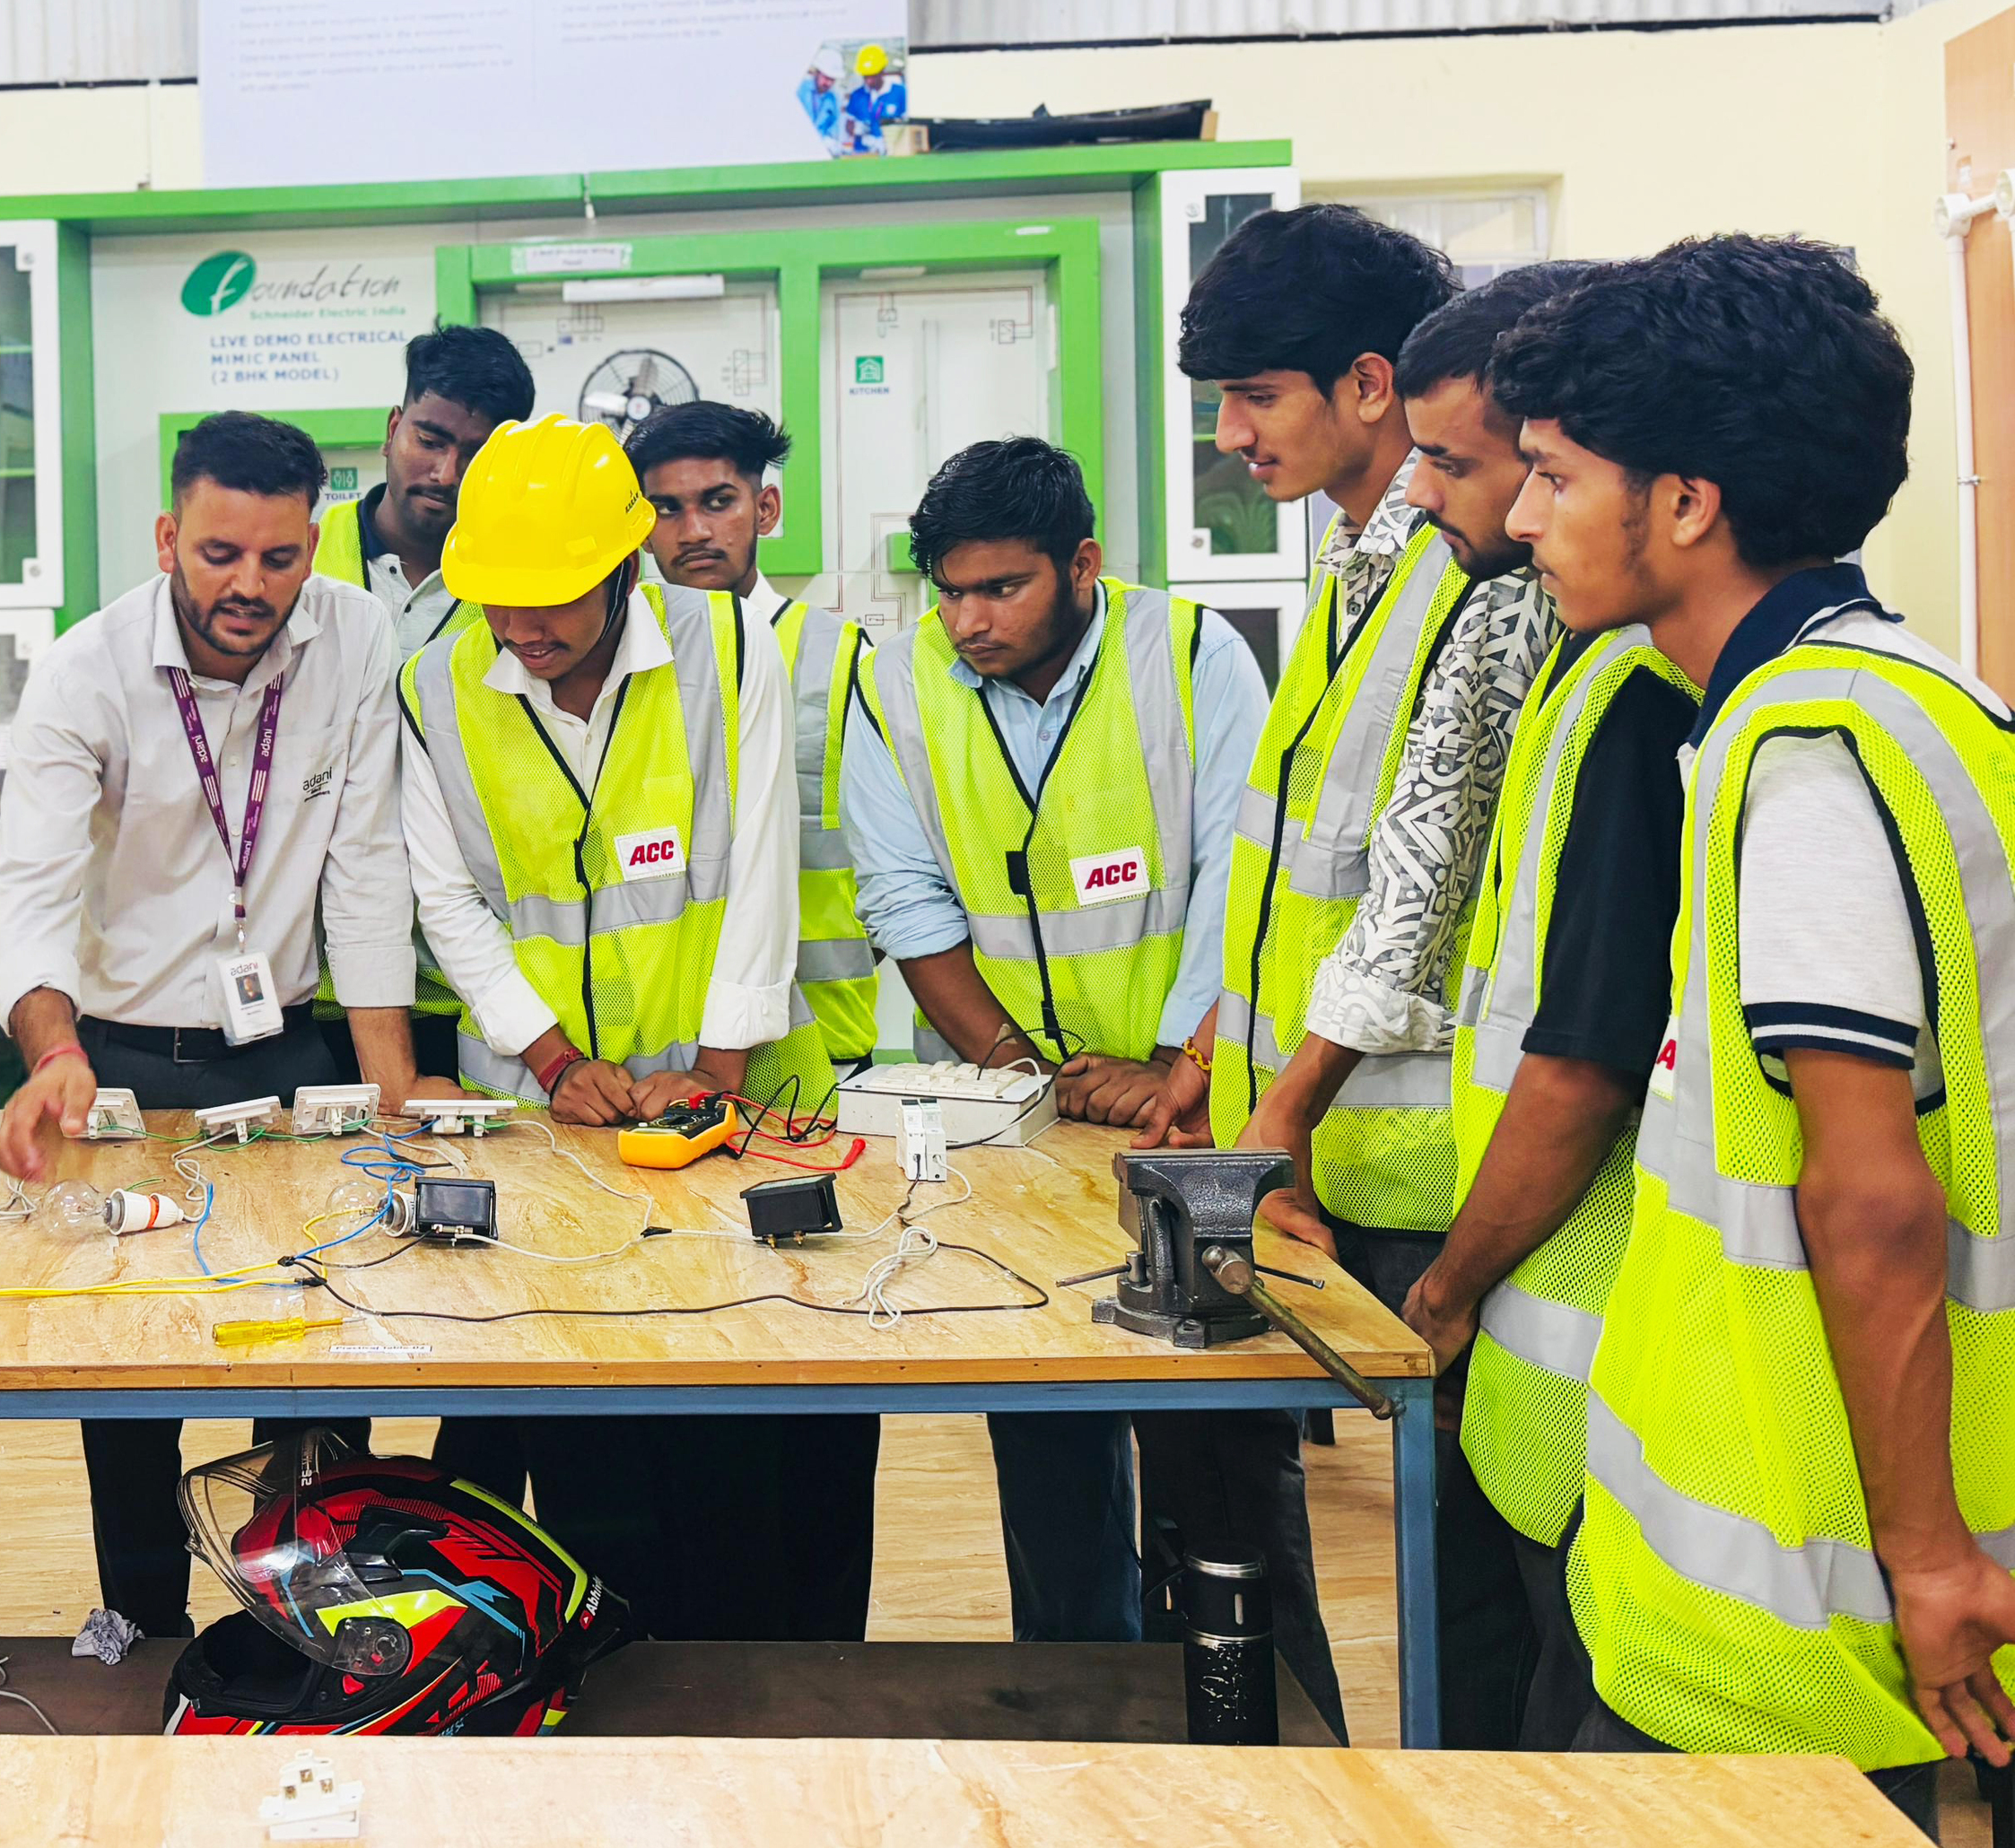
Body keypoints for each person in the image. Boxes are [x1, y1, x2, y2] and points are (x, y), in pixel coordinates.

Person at [1492, 236, 2015, 1826]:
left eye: (1556, 478)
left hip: (1780, 1607)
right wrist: (1997, 1490)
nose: (1519, 516)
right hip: (1829, 1549)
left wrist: (1925, 1543)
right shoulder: (1930, 708)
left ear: (1686, 504)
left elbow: (1878, 1197)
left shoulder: (1809, 754)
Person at [1166, 202, 1552, 1746]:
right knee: (1406, 1569)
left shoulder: (1478, 578)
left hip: (1416, 1164)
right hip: (1315, 1152)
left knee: (1479, 1586)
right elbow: (1292, 870)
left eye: (1258, 395)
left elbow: (1415, 899)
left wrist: (1284, 1117)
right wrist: (1220, 1073)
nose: (1231, 433)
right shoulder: (1356, 559)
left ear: (1374, 384)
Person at [401, 414, 851, 1639]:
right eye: (498, 604)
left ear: (622, 568)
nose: (521, 632)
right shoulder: (435, 683)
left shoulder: (733, 647)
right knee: (582, 1432)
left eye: (549, 603)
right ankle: (608, 1680)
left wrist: (714, 1071)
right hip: (554, 1119)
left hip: (735, 1103)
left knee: (739, 1444)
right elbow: (447, 892)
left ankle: (760, 1698)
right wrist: (547, 1055)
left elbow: (761, 866)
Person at [0, 411, 418, 1642]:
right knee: (129, 1372)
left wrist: (388, 1082)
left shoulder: (356, 638)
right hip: (119, 1064)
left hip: (289, 1059)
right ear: (170, 534)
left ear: (314, 547)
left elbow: (368, 863)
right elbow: (26, 882)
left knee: (316, 1366)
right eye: (221, 553)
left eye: (280, 560)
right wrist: (54, 1052)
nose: (250, 586)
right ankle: (143, 1634)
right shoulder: (87, 668)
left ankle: (318, 1623)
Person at [843, 434, 1267, 1645]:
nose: (969, 620)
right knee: (1047, 1433)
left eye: (1003, 588)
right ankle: (1085, 1695)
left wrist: (1180, 1073)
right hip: (1019, 1124)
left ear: (1082, 563)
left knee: (1217, 1458)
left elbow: (1243, 883)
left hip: (1196, 1121)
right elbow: (908, 905)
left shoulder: (1192, 658)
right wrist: (1019, 1078)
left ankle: (1246, 1723)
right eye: (950, 592)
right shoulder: (898, 680)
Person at [1357, 262, 1680, 1753]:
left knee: (1575, 1726)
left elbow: (1580, 1059)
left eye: (1528, 470)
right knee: (1512, 1688)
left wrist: (1450, 1277)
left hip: (1602, 1339)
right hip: (1550, 1340)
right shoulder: (1559, 658)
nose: (1446, 501)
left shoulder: (1647, 705)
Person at [626, 401, 879, 1085]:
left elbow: (904, 856)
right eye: (667, 509)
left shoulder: (844, 657)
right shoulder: (615, 664)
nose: (696, 530)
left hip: (825, 1039)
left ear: (764, 509)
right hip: (660, 1052)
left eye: (718, 502)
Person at [312, 324, 534, 655]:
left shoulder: (525, 580)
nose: (446, 476)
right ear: (393, 430)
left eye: (477, 456)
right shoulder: (304, 549)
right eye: (429, 442)